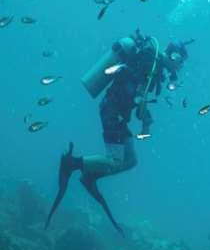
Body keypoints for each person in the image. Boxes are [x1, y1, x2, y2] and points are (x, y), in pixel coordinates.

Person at [45, 31, 190, 234]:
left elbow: (136, 94)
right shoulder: (151, 63)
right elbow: (139, 96)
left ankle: (90, 175)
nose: (179, 68)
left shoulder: (151, 63)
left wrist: (143, 114)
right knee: (115, 160)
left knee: (130, 160)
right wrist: (146, 120)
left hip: (116, 113)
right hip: (113, 113)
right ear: (174, 57)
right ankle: (74, 164)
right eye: (180, 62)